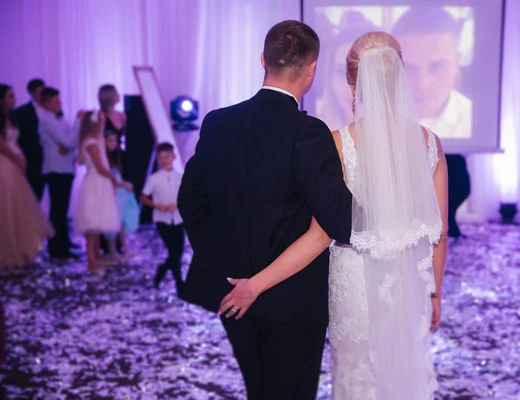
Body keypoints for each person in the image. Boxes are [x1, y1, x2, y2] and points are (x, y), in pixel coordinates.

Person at [220, 32, 449, 399]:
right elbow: (439, 234)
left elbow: (319, 235)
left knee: (356, 381)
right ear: (400, 76)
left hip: (354, 286)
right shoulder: (430, 144)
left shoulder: (338, 143)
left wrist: (256, 284)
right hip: (409, 285)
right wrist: (435, 294)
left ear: (350, 80)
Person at [178, 20, 353, 400]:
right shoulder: (309, 132)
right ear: (311, 70)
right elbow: (340, 222)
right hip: (293, 300)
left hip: (232, 292)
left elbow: (190, 201)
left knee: (258, 390)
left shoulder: (218, 122)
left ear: (263, 60)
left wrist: (224, 263)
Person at [393, 7, 472, 139]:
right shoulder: (369, 118)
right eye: (409, 68)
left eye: (437, 67)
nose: (423, 85)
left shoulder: (472, 119)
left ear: (457, 62)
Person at [0, 84, 54, 269]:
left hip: (16, 164)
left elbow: (18, 141)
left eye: (14, 95)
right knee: (6, 206)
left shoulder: (12, 117)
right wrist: (16, 158)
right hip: (5, 164)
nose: (13, 99)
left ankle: (19, 249)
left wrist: (21, 158)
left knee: (18, 207)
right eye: (9, 96)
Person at [74, 111, 121, 276]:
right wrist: (113, 178)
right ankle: (91, 261)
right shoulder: (91, 143)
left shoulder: (95, 141)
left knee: (96, 219)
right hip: (96, 182)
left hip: (98, 183)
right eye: (101, 121)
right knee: (92, 222)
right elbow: (100, 167)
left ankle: (97, 255)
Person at [38, 87, 80, 260]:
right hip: (56, 170)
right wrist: (78, 121)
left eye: (59, 101)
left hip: (65, 169)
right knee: (58, 211)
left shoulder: (59, 119)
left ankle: (63, 244)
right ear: (46, 103)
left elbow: (71, 141)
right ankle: (57, 249)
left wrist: (69, 144)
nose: (59, 104)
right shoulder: (47, 121)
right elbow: (69, 141)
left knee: (62, 210)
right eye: (56, 101)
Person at [141, 143, 184, 294]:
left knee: (177, 252)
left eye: (167, 157)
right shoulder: (154, 178)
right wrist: (156, 204)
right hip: (162, 220)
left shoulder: (180, 176)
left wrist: (178, 205)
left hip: (178, 219)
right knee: (174, 251)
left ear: (173, 157)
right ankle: (180, 283)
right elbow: (143, 197)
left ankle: (162, 269)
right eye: (160, 158)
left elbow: (186, 196)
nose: (164, 160)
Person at [98, 84, 127, 256]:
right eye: (115, 94)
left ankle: (118, 242)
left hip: (120, 156)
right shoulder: (101, 116)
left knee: (121, 200)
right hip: (106, 155)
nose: (118, 96)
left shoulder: (122, 115)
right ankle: (107, 242)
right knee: (108, 197)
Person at [103, 131, 139, 261]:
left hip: (122, 195)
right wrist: (123, 184)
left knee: (122, 222)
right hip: (112, 194)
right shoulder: (103, 158)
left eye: (115, 141)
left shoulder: (118, 157)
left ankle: (126, 249)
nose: (113, 144)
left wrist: (126, 184)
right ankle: (112, 251)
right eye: (110, 140)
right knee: (112, 223)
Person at [15, 78, 46, 200]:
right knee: (33, 197)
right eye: (40, 92)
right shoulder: (21, 112)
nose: (43, 95)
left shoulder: (52, 109)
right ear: (32, 94)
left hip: (51, 162)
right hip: (33, 162)